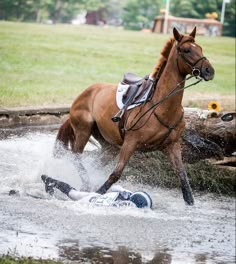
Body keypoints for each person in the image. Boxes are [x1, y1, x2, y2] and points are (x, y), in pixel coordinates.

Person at [41, 175, 153, 209]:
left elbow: (115, 187)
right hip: (90, 202)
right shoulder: (127, 207)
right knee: (67, 203)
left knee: (73, 193)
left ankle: (51, 181)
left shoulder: (128, 193)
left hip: (96, 196)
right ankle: (43, 199)